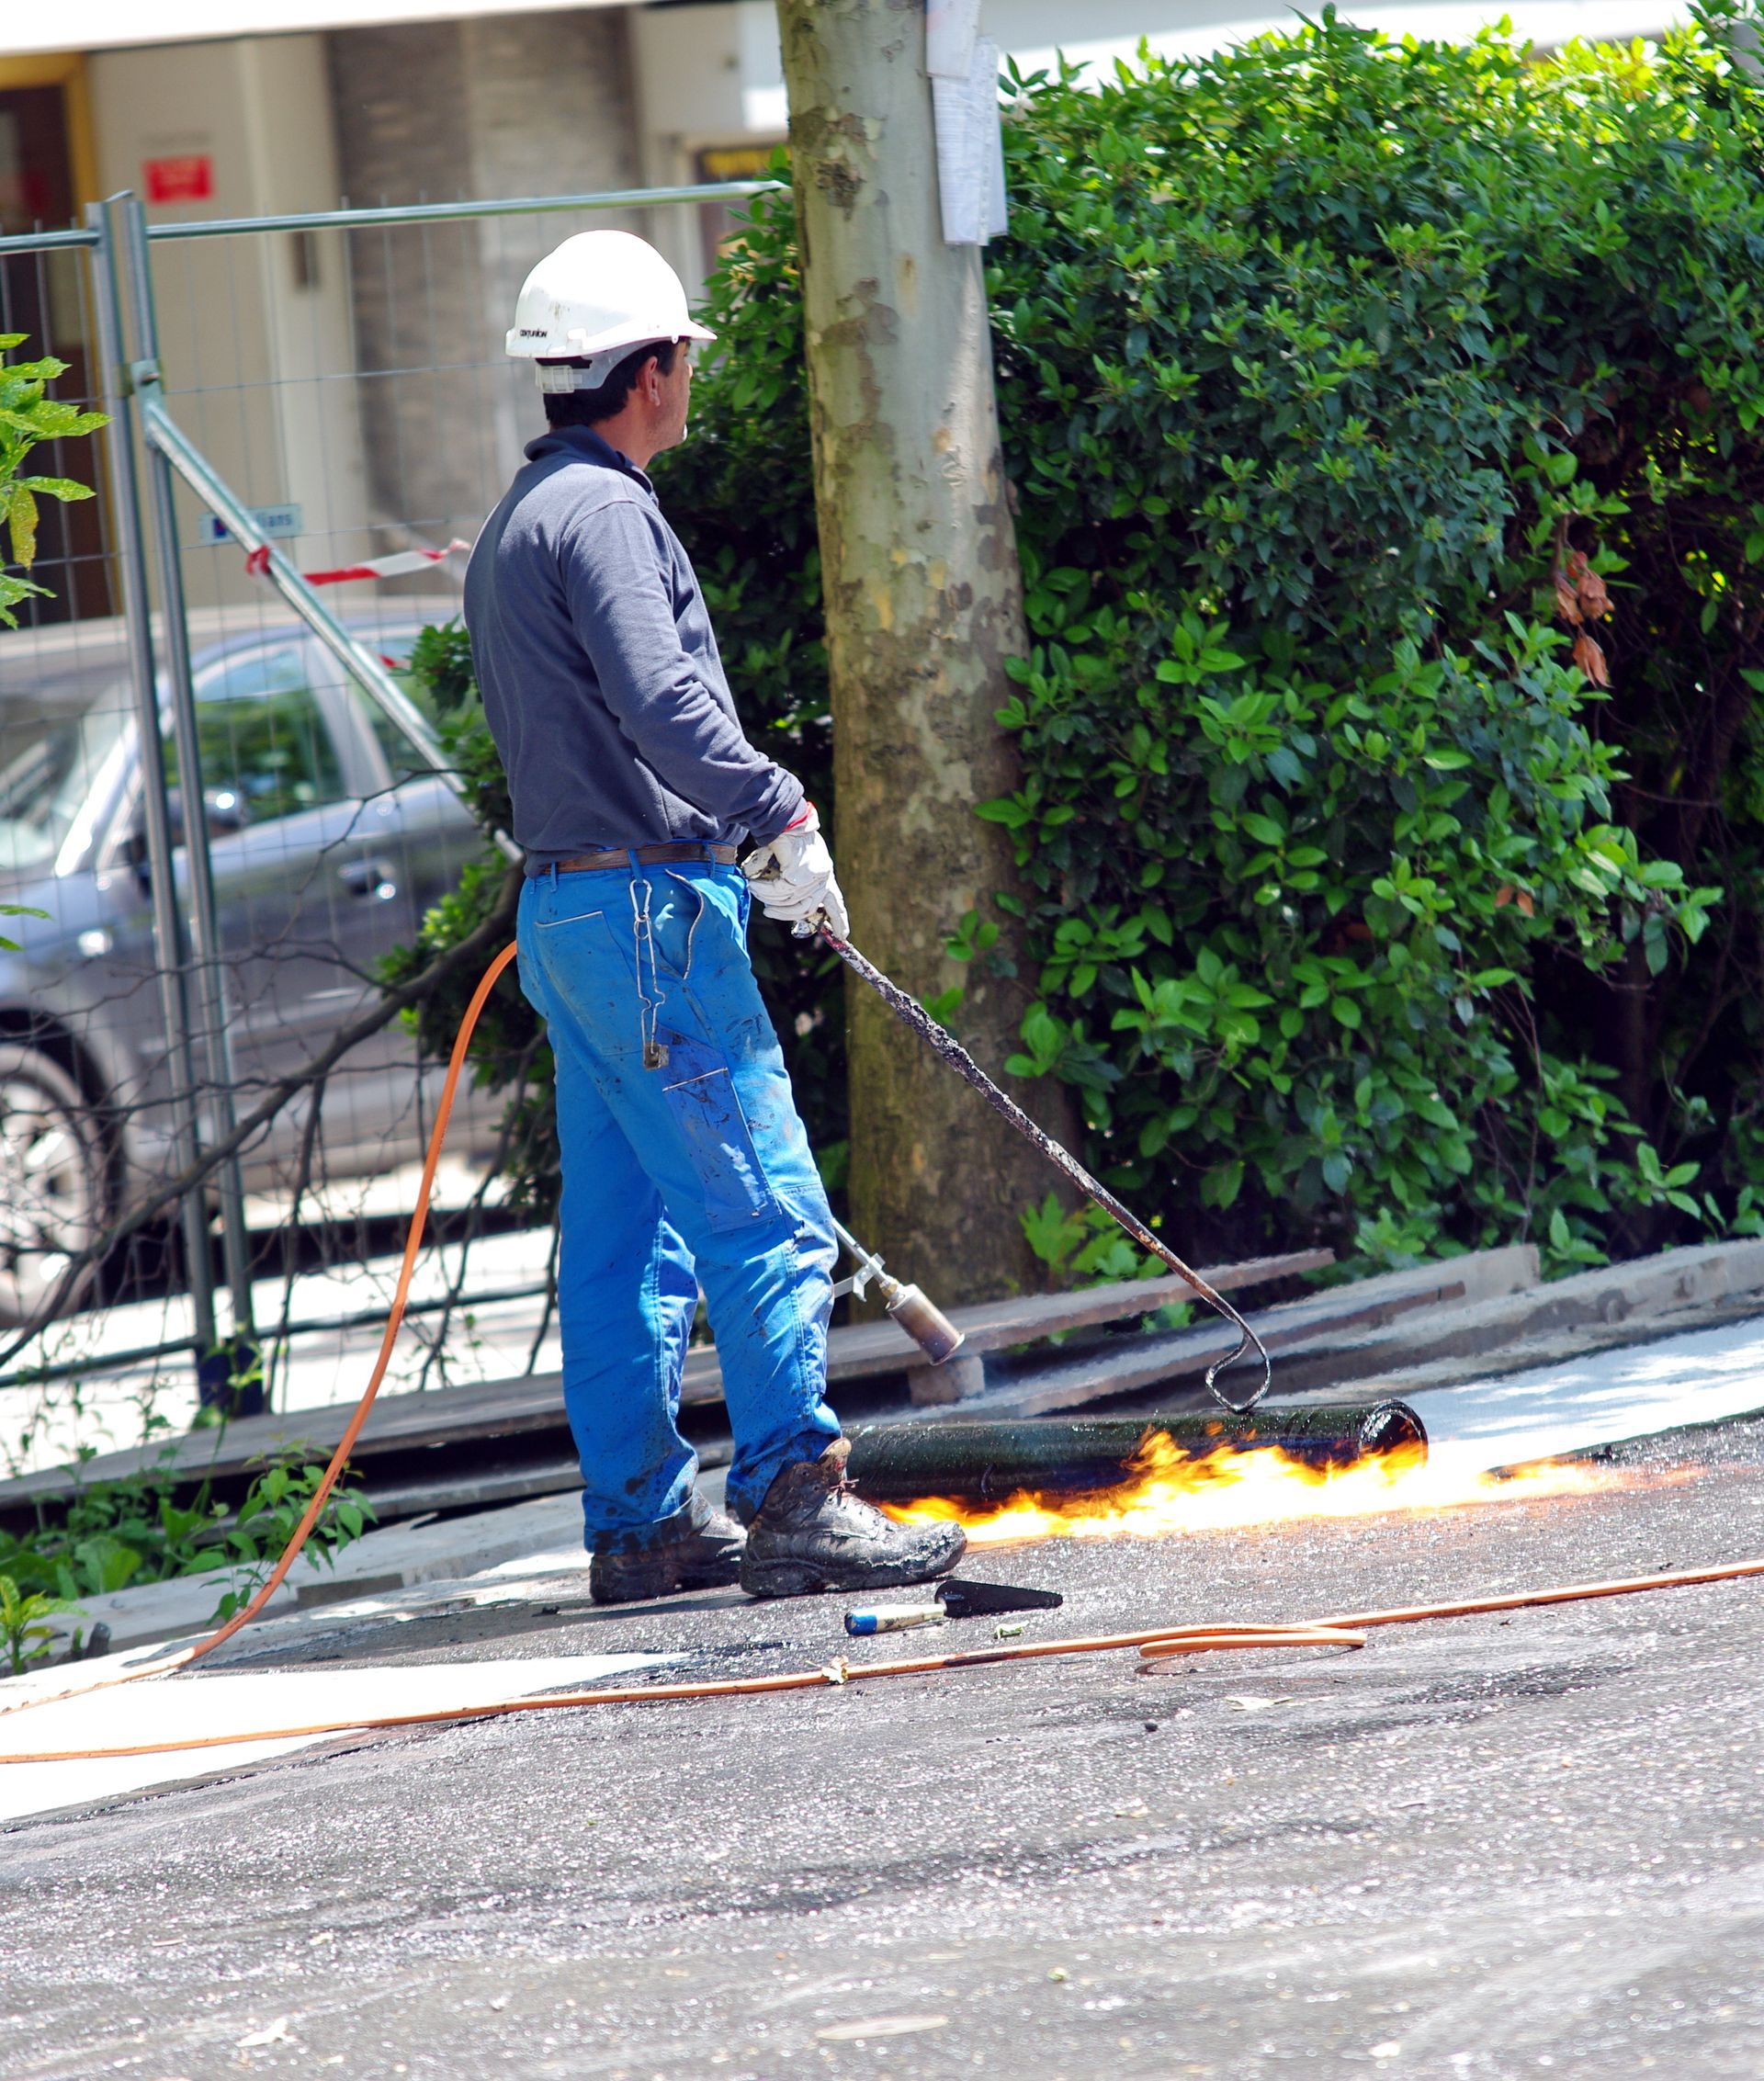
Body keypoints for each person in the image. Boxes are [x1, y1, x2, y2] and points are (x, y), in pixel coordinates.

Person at [463, 230, 966, 1605]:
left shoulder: (520, 521)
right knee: (766, 1208)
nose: (688, 378)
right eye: (683, 356)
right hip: (645, 913)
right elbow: (663, 700)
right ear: (652, 369)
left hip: (572, 919)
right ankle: (795, 1494)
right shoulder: (611, 516)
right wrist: (774, 814)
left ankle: (637, 1529)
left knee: (629, 1238)